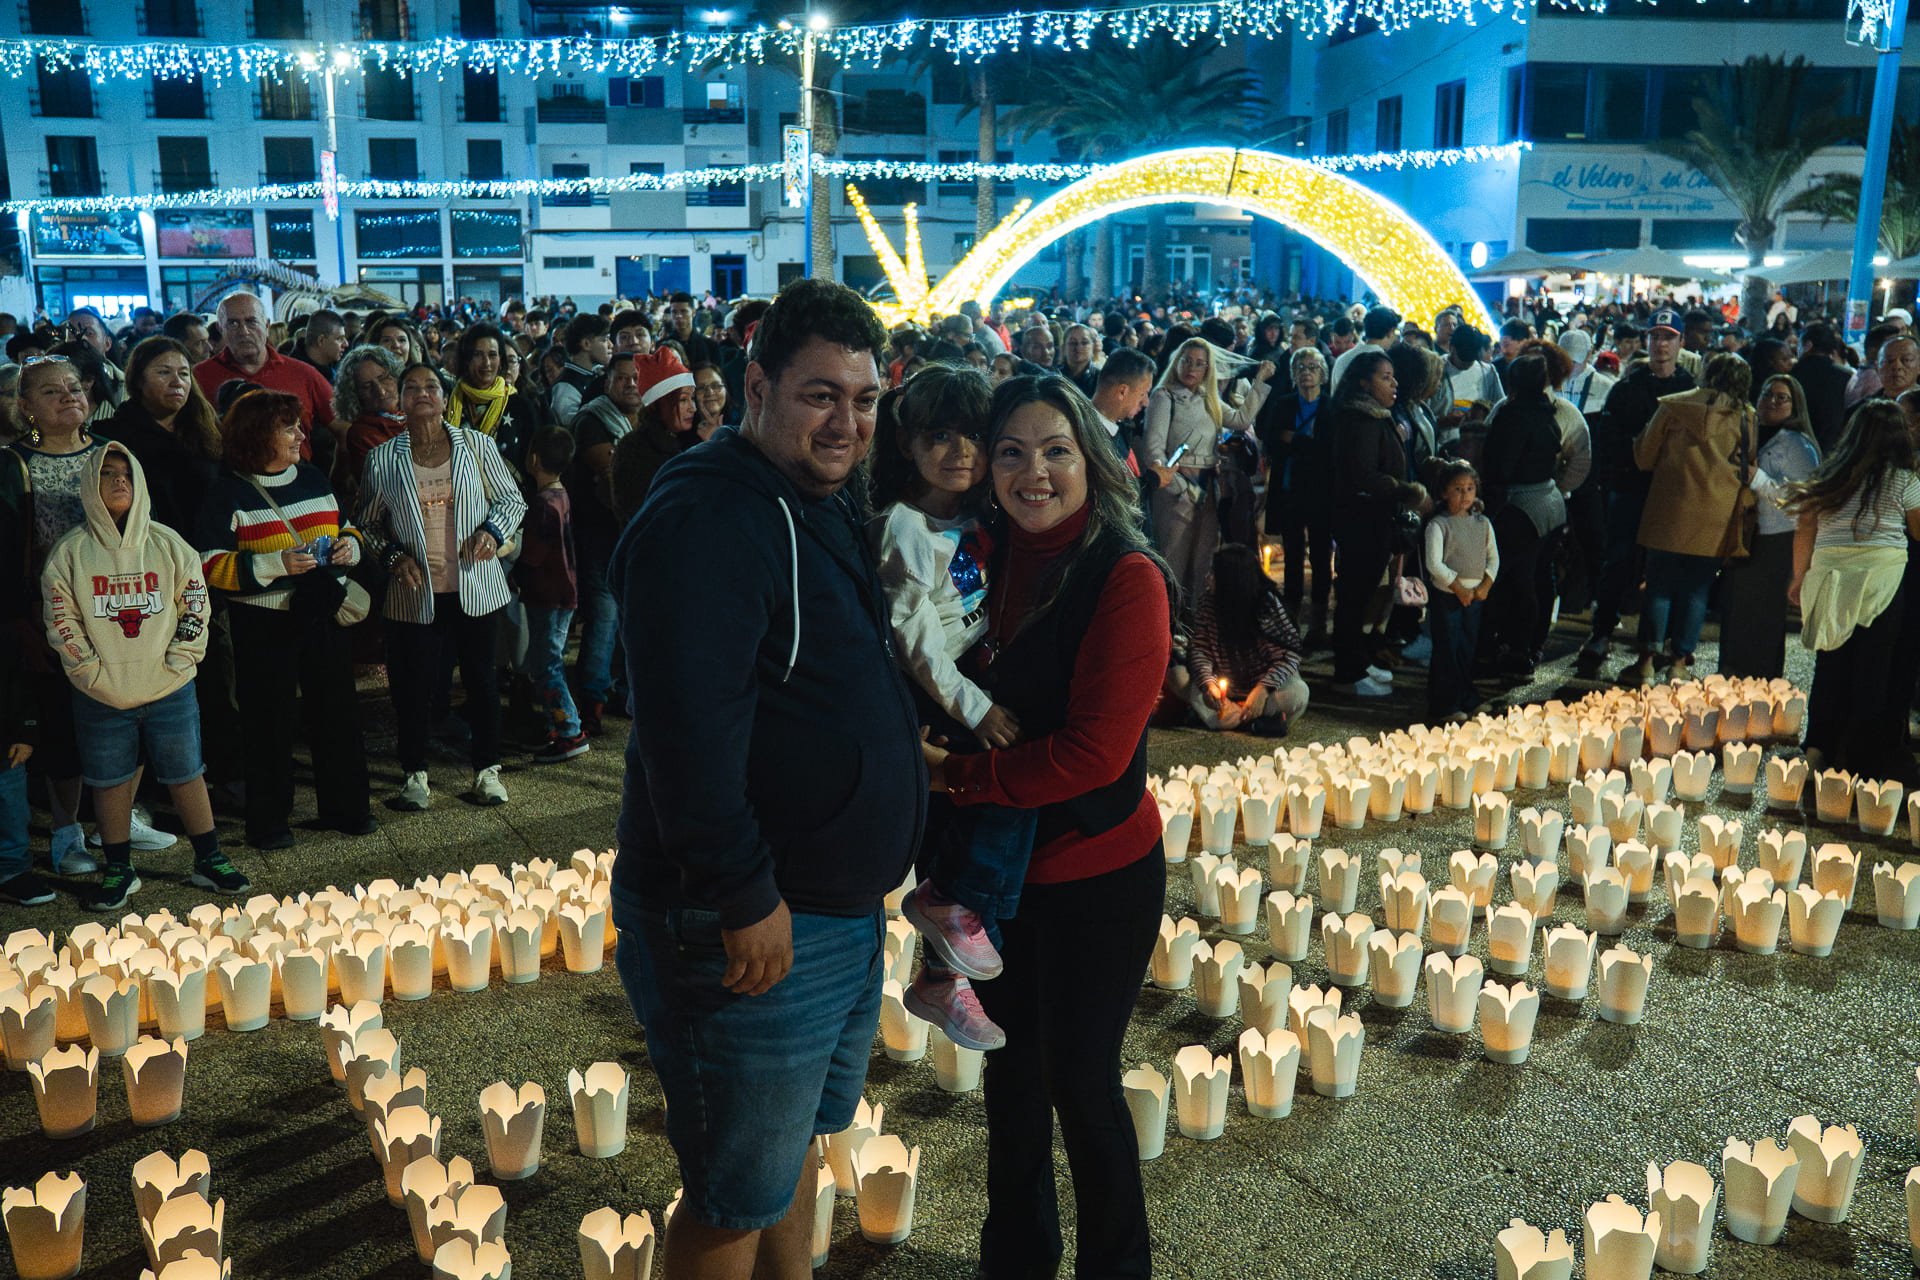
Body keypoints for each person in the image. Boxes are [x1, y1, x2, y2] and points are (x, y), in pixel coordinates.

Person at [608, 279, 924, 1279]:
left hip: (831, 907)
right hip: (748, 919)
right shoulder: (712, 515)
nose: (848, 421)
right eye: (821, 394)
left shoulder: (813, 498)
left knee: (782, 1160)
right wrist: (744, 890)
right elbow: (684, 734)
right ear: (756, 385)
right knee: (730, 1195)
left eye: (865, 399)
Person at [921, 373, 1172, 1278]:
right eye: (1013, 452)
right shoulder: (973, 553)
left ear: (1092, 460)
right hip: (998, 888)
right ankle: (1016, 1263)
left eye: (1056, 450)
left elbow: (1094, 756)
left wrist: (959, 777)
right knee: (1010, 1083)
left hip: (1095, 875)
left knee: (1081, 1085)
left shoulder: (1126, 575)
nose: (1034, 473)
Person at [866, 364, 1024, 1050]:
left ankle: (943, 975)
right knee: (979, 812)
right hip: (933, 692)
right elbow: (916, 637)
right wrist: (975, 707)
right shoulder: (902, 526)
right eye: (941, 436)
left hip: (969, 681)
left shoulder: (979, 516)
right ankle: (945, 932)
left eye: (974, 437)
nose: (961, 451)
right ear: (908, 443)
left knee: (973, 826)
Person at [42, 443, 248, 910]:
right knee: (110, 779)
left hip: (169, 687)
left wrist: (181, 660)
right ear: (89, 488)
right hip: (99, 692)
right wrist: (90, 672)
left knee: (187, 773)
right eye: (107, 474)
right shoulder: (70, 553)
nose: (118, 482)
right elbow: (62, 619)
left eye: (126, 474)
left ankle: (208, 859)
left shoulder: (168, 544)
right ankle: (119, 866)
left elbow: (194, 602)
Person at [197, 389, 374, 848]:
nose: (301, 434)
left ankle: (349, 810)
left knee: (336, 714)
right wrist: (276, 564)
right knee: (267, 723)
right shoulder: (226, 493)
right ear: (258, 436)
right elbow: (208, 564)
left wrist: (349, 547)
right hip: (263, 622)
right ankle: (271, 823)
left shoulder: (313, 477)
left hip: (322, 610)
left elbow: (345, 525)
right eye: (288, 427)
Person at [358, 362, 526, 811]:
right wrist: (393, 557)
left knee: (481, 682)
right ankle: (415, 775)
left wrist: (491, 530)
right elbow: (368, 524)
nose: (422, 394)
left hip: (476, 586)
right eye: (411, 387)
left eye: (431, 385)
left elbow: (512, 500)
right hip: (414, 592)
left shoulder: (477, 445)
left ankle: (487, 771)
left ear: (444, 394)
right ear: (399, 399)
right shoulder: (382, 458)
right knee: (413, 689)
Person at [1787, 400, 1920, 783]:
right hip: (1881, 580)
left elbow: (1805, 528)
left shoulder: (1831, 475)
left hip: (1830, 578)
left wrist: (1798, 578)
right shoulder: (1903, 479)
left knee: (1830, 665)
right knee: (1872, 670)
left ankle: (1816, 748)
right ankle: (1856, 756)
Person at [1576, 307, 1696, 679]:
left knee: (1669, 570)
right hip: (1630, 488)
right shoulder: (1628, 387)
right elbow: (1609, 441)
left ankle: (1662, 645)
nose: (1661, 343)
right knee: (1619, 560)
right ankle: (1603, 631)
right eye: (1656, 336)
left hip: (1673, 494)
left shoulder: (1690, 389)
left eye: (1668, 336)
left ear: (1680, 342)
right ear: (1647, 341)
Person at [1626, 352, 1756, 685]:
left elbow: (1644, 456)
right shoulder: (1745, 416)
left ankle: (1646, 663)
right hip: (1715, 513)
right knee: (1697, 590)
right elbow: (1747, 465)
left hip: (1669, 509)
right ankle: (1679, 663)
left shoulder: (1673, 406)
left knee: (1658, 587)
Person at [1143, 337, 1275, 602]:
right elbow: (1153, 450)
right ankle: (1171, 624)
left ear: (1208, 368)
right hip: (1176, 488)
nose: (1192, 368)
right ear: (1176, 362)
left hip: (1209, 488)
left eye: (1199, 364)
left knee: (1202, 561)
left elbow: (1240, 420)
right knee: (1173, 558)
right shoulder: (1163, 396)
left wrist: (1260, 382)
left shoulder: (1208, 397)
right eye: (1187, 361)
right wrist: (1177, 484)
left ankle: (1195, 625)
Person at [1328, 349, 1423, 697]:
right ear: (1364, 383)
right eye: (1385, 377)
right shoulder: (1360, 419)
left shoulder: (1374, 415)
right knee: (1354, 595)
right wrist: (1408, 492)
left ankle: (1358, 659)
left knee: (1363, 594)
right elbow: (1365, 474)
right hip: (1361, 519)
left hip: (1373, 518)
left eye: (1393, 376)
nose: (1394, 383)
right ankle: (1347, 672)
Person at [1719, 374, 1820, 678]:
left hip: (1778, 539)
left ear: (1796, 405)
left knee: (1760, 618)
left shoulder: (1798, 445)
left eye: (1781, 397)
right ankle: (1734, 681)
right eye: (1766, 394)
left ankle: (1759, 685)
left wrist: (1759, 480)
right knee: (1738, 612)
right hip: (1747, 535)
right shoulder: (1752, 432)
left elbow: (1803, 500)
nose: (1772, 401)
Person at [1478, 353, 1570, 678]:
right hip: (1550, 501)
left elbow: (1501, 466)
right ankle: (1531, 646)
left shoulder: (1513, 414)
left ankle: (1514, 650)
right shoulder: (1549, 413)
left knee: (1517, 581)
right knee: (1539, 578)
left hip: (1522, 505)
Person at [514, 426, 588, 763]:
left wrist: (515, 573)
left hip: (548, 594)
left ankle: (569, 732)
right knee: (548, 661)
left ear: (533, 460)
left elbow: (533, 554)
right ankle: (556, 726)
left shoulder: (542, 504)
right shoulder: (562, 495)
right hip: (564, 591)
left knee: (548, 666)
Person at [1183, 542, 1309, 733]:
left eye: (1214, 573)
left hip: (1265, 688)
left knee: (1298, 693)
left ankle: (1231, 718)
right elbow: (1201, 649)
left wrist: (1262, 689)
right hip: (1225, 690)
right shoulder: (1208, 602)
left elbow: (1289, 655)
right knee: (1177, 676)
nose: (1208, 577)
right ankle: (1257, 721)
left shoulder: (1266, 605)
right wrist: (1208, 684)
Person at [193, 292, 335, 456]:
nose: (244, 331)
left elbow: (341, 426)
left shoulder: (305, 374)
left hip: (297, 476)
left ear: (267, 326)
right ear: (220, 329)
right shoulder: (199, 376)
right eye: (233, 323)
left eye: (251, 322)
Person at [108, 336, 222, 539]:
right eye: (164, 372)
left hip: (213, 550)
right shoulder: (116, 437)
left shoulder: (208, 428)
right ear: (138, 380)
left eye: (184, 374)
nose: (177, 382)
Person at [1257, 346, 1334, 635]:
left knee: (1321, 556)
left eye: (1312, 367)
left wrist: (1297, 442)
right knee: (1291, 554)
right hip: (1289, 490)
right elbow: (1273, 442)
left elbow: (1330, 450)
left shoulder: (1330, 407)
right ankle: (1289, 617)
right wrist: (1304, 443)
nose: (1306, 372)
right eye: (1300, 367)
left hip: (1321, 492)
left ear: (1323, 374)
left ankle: (1317, 620)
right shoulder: (1284, 405)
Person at [1424, 459, 1499, 722]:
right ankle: (1444, 704)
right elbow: (1434, 563)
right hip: (1448, 597)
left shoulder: (1483, 523)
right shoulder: (1438, 525)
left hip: (1475, 596)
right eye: (1458, 489)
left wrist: (1485, 585)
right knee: (1447, 649)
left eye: (1470, 488)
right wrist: (1457, 587)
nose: (1465, 494)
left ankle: (1467, 698)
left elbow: (1493, 557)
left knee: (1468, 648)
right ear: (1444, 492)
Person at [607, 349, 699, 528]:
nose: (692, 408)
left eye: (692, 399)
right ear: (661, 403)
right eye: (683, 400)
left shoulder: (684, 440)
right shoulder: (635, 450)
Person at [447, 322, 525, 467]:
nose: (486, 363)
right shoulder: (449, 401)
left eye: (492, 355)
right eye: (477, 355)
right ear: (466, 359)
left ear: (501, 360)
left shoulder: (521, 405)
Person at [334, 344, 407, 485]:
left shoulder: (415, 411)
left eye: (384, 378)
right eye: (367, 386)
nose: (381, 391)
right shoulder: (361, 434)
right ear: (355, 394)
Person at [547, 313, 611, 426]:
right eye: (604, 340)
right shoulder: (567, 386)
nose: (611, 345)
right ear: (586, 344)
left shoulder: (596, 374)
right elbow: (574, 426)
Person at [295, 309, 348, 383]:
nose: (346, 344)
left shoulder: (330, 369)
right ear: (321, 340)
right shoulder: (297, 377)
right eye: (339, 339)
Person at [691, 360, 730, 438]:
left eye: (716, 385)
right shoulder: (686, 431)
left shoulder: (742, 424)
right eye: (701, 388)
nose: (710, 392)